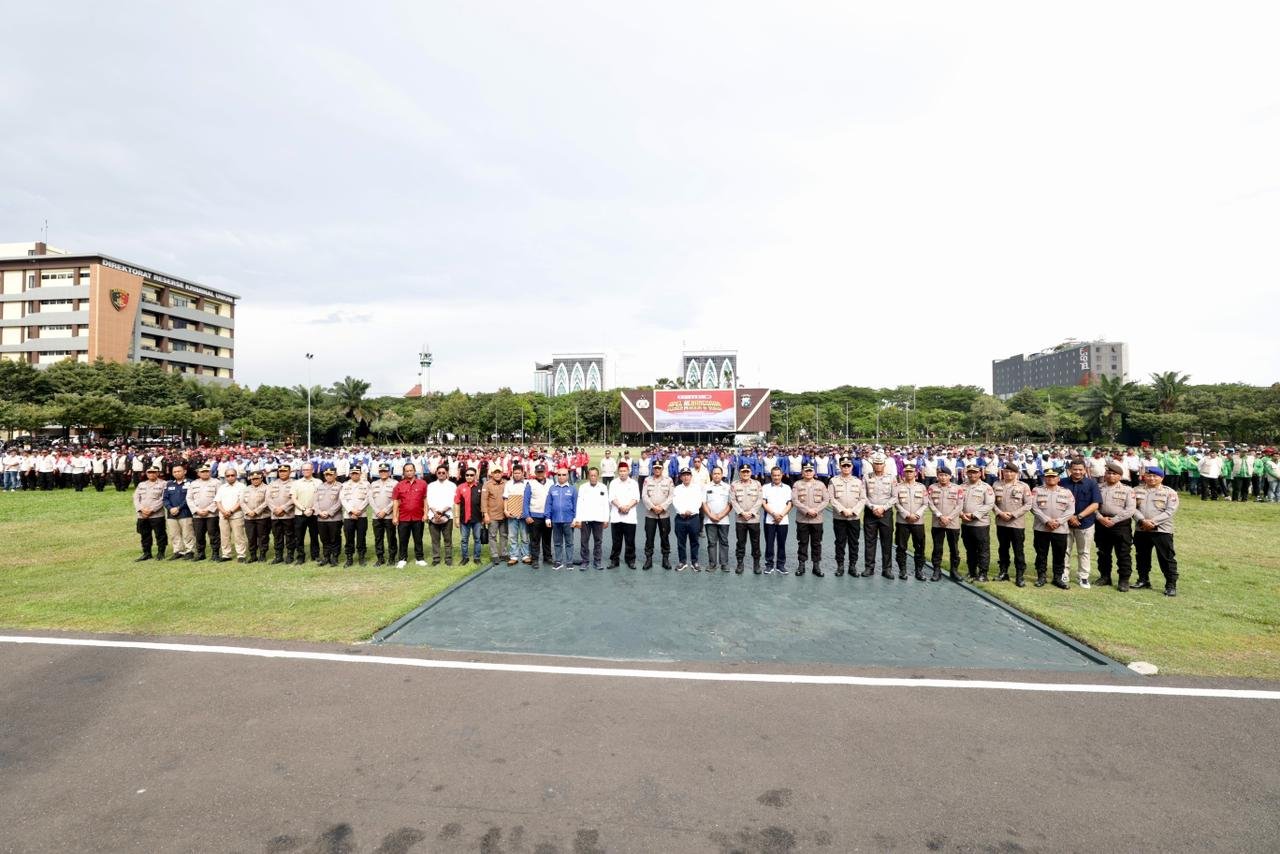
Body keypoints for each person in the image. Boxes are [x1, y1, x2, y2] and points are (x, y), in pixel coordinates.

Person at [1133, 466, 1181, 596]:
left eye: (1155, 476)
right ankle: (1143, 580)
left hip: (1162, 530)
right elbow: (1132, 508)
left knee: (1166, 558)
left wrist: (1153, 522)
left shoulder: (1169, 493)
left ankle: (1171, 585)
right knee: (1142, 556)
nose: (1151, 478)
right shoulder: (1136, 490)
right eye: (1149, 476)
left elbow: (1170, 511)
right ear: (1145, 477)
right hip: (1141, 529)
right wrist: (1143, 520)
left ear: (1162, 478)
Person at [1094, 460, 1136, 590]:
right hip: (1101, 523)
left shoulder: (1127, 490)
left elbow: (1130, 509)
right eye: (1108, 473)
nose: (1110, 476)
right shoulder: (1098, 487)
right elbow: (1092, 505)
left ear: (1120, 476)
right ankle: (1105, 576)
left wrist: (1113, 520)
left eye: (1114, 473)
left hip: (1120, 525)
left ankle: (1124, 580)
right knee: (1103, 552)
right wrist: (1100, 518)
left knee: (1123, 553)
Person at [1061, 459, 1101, 588]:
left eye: (1080, 469)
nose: (1077, 472)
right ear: (1070, 470)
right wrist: (1069, 517)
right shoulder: (1062, 483)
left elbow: (1095, 504)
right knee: (1064, 550)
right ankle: (1064, 573)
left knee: (1084, 551)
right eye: (1075, 469)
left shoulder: (1092, 483)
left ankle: (1083, 576)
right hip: (1065, 523)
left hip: (1085, 523)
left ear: (1084, 470)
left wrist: (1078, 516)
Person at [1031, 469, 1074, 588]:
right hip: (1041, 528)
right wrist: (1046, 521)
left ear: (1058, 479)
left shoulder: (1066, 492)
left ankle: (1058, 578)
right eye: (1048, 477)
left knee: (1059, 554)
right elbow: (1034, 508)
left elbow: (1071, 510)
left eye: (1053, 477)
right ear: (1045, 478)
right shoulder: (1037, 490)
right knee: (1041, 554)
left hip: (1060, 529)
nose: (1050, 479)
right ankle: (1041, 577)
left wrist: (1058, 522)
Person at [992, 462, 1033, 585]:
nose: (1008, 474)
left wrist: (1013, 514)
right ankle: (1003, 572)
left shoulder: (1023, 486)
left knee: (1018, 550)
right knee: (1003, 549)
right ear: (1003, 472)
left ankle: (1020, 575)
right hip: (1001, 522)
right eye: (1006, 471)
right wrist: (999, 513)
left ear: (1016, 473)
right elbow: (991, 502)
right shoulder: (996, 484)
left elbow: (1028, 504)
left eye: (1011, 472)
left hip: (1016, 523)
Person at [829, 458, 866, 577]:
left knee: (854, 542)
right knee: (840, 542)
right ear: (840, 466)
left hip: (854, 518)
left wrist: (854, 511)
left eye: (848, 466)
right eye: (843, 466)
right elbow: (831, 498)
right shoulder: (833, 481)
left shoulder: (858, 482)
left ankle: (852, 566)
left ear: (851, 467)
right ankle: (840, 566)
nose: (846, 468)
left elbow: (863, 499)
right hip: (840, 517)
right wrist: (842, 510)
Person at [791, 463, 829, 577]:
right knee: (802, 542)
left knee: (816, 543)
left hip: (817, 519)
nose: (808, 472)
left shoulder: (821, 484)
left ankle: (816, 566)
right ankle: (801, 565)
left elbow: (826, 500)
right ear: (802, 472)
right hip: (802, 518)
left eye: (810, 470)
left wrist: (816, 510)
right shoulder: (797, 484)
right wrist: (807, 510)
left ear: (814, 472)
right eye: (806, 470)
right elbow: (795, 500)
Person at [927, 466, 963, 582]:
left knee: (954, 548)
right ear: (937, 476)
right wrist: (940, 516)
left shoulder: (957, 488)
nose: (943, 477)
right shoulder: (932, 487)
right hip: (938, 523)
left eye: (945, 475)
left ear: (950, 476)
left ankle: (954, 571)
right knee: (937, 548)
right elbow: (930, 503)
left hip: (953, 523)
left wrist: (949, 518)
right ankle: (936, 571)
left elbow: (960, 506)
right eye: (941, 475)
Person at [862, 453, 896, 577]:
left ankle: (887, 569)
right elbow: (863, 496)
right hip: (870, 513)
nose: (878, 466)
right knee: (869, 541)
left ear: (884, 465)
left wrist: (883, 508)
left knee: (886, 542)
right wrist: (873, 507)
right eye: (876, 463)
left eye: (880, 463)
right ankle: (869, 568)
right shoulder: (866, 477)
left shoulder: (891, 477)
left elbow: (894, 496)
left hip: (885, 513)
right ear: (873, 465)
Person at [893, 463, 928, 581]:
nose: (909, 473)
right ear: (904, 473)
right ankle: (902, 570)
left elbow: (925, 503)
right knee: (901, 547)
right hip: (903, 521)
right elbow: (896, 503)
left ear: (916, 473)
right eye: (906, 472)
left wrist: (917, 515)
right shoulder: (897, 487)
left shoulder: (921, 487)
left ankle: (919, 570)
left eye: (911, 471)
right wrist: (907, 515)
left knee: (919, 547)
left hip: (918, 522)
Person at [960, 464, 995, 581]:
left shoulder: (986, 487)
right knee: (969, 549)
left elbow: (989, 504)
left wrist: (974, 515)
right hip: (965, 523)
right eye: (970, 472)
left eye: (975, 472)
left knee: (982, 549)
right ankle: (971, 571)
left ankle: (983, 574)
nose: (972, 474)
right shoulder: (962, 487)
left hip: (980, 524)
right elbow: (956, 503)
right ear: (966, 473)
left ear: (980, 473)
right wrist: (961, 514)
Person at [392, 462, 428, 568]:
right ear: (404, 472)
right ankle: (402, 559)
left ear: (414, 470)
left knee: (418, 538)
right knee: (403, 539)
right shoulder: (399, 485)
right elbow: (395, 501)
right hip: (403, 517)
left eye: (411, 470)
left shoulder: (422, 484)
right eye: (407, 471)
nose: (409, 472)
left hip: (418, 516)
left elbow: (425, 499)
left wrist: (426, 513)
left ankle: (419, 558)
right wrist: (395, 516)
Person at [730, 463, 763, 574]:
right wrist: (742, 512)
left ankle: (756, 564)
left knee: (756, 542)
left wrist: (751, 512)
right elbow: (733, 500)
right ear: (739, 473)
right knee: (740, 542)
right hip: (740, 519)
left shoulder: (757, 484)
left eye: (747, 471)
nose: (745, 473)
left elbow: (759, 500)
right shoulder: (734, 484)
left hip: (754, 519)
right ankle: (740, 563)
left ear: (751, 472)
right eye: (743, 472)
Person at [574, 467, 610, 570]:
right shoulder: (583, 487)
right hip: (585, 519)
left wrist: (606, 519)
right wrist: (578, 519)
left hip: (599, 519)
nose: (593, 477)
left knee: (598, 541)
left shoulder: (603, 487)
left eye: (595, 475)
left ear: (598, 476)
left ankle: (597, 561)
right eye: (591, 475)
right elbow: (579, 504)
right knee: (584, 541)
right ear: (588, 476)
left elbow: (605, 504)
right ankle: (585, 561)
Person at [186, 463, 222, 562]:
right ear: (198, 473)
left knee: (213, 534)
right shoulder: (193, 484)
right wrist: (197, 510)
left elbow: (218, 498)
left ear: (210, 472)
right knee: (199, 535)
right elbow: (189, 499)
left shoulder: (216, 482)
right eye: (202, 471)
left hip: (212, 514)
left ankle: (215, 553)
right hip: (197, 515)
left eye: (207, 471)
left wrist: (208, 509)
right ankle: (201, 553)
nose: (205, 473)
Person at [642, 460, 674, 570]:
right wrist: (653, 507)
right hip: (650, 514)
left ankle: (665, 559)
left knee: (665, 537)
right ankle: (648, 559)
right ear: (652, 468)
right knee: (649, 537)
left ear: (662, 469)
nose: (657, 469)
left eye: (659, 468)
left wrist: (662, 507)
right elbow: (644, 496)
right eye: (655, 468)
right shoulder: (647, 480)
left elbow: (671, 496)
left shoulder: (668, 480)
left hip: (664, 514)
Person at [607, 461, 640, 569]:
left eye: (624, 471)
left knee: (630, 540)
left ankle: (630, 560)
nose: (622, 473)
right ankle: (614, 560)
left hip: (630, 517)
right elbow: (611, 497)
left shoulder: (634, 483)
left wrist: (627, 507)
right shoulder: (613, 483)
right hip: (616, 516)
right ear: (618, 472)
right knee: (616, 541)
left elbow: (636, 498)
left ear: (628, 471)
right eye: (620, 471)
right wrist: (620, 506)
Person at [671, 468, 704, 571]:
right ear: (681, 477)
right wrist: (682, 511)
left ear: (691, 476)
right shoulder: (677, 489)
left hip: (693, 517)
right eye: (684, 475)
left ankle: (695, 562)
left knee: (695, 541)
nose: (686, 477)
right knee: (681, 542)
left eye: (688, 475)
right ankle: (682, 562)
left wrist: (691, 511)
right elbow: (675, 502)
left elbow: (699, 502)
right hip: (680, 518)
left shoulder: (697, 488)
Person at [133, 463, 168, 561]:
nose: (151, 474)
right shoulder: (141, 484)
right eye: (149, 473)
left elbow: (163, 499)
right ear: (146, 474)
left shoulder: (163, 484)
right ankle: (147, 553)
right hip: (142, 515)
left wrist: (152, 509)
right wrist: (141, 509)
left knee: (160, 534)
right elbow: (136, 498)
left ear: (158, 473)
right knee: (145, 535)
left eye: (154, 472)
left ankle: (161, 552)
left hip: (157, 515)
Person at [761, 466, 793, 574]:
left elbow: (789, 504)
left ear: (782, 475)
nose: (776, 477)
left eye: (778, 475)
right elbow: (764, 503)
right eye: (774, 475)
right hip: (769, 520)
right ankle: (769, 565)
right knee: (769, 543)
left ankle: (780, 565)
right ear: (771, 476)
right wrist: (774, 514)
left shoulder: (787, 488)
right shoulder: (765, 487)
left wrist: (781, 515)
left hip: (783, 520)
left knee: (781, 543)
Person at [701, 464, 733, 572]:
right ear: (711, 475)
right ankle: (712, 564)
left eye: (718, 473)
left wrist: (720, 515)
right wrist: (711, 515)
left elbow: (730, 504)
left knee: (724, 542)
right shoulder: (706, 487)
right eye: (714, 473)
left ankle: (724, 564)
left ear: (722, 475)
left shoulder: (728, 487)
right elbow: (703, 503)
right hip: (709, 520)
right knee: (711, 542)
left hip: (724, 520)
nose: (716, 476)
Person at [546, 467, 578, 569]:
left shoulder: (572, 489)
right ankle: (558, 561)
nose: (561, 477)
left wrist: (575, 518)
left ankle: (569, 561)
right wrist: (547, 517)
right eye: (559, 475)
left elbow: (576, 505)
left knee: (569, 542)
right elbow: (548, 504)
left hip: (568, 521)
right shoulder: (552, 488)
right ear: (556, 476)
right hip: (555, 520)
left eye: (564, 475)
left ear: (568, 476)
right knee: (557, 542)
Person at [162, 463, 195, 560]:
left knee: (187, 533)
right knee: (174, 534)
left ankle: (190, 551)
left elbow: (189, 498)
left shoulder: (190, 483)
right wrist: (170, 508)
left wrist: (179, 508)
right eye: (174, 472)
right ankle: (178, 551)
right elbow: (165, 499)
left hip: (185, 513)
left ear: (184, 471)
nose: (176, 473)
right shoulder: (169, 484)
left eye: (179, 471)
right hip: (171, 514)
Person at [522, 464, 553, 568]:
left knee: (547, 538)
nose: (540, 474)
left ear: (545, 472)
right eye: (538, 472)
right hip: (534, 516)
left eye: (542, 472)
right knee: (535, 539)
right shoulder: (530, 483)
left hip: (548, 516)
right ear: (535, 473)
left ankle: (547, 557)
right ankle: (535, 559)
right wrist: (527, 515)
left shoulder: (551, 482)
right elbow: (525, 501)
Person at [216, 467, 249, 563]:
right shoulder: (222, 487)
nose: (230, 477)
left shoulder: (242, 486)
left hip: (236, 515)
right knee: (224, 536)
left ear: (236, 476)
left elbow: (241, 501)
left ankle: (241, 554)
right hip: (223, 516)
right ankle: (226, 554)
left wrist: (230, 511)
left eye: (232, 475)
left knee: (239, 536)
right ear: (225, 477)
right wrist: (223, 512)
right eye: (228, 476)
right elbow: (217, 501)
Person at [266, 464, 297, 564]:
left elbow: (294, 499)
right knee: (277, 536)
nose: (282, 473)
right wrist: (275, 509)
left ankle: (290, 555)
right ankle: (278, 556)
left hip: (288, 515)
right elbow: (268, 498)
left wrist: (283, 508)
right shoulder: (272, 484)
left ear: (290, 472)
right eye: (280, 471)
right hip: (275, 515)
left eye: (285, 471)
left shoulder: (295, 484)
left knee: (289, 536)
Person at [339, 466, 370, 567]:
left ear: (360, 474)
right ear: (350, 474)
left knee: (361, 538)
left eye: (357, 473)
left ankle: (361, 557)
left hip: (362, 515)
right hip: (348, 516)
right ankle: (349, 558)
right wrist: (351, 511)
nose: (355, 475)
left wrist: (359, 510)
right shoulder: (344, 485)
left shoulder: (366, 484)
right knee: (349, 538)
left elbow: (368, 498)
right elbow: (342, 499)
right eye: (353, 473)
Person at [291, 463, 321, 565]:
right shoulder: (296, 483)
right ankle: (300, 557)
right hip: (300, 513)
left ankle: (315, 555)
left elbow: (319, 499)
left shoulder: (318, 482)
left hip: (314, 513)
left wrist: (312, 509)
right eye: (304, 470)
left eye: (308, 469)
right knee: (299, 537)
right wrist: (304, 509)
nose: (306, 471)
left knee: (314, 536)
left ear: (312, 470)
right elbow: (294, 498)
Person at [426, 464, 456, 566]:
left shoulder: (452, 485)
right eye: (439, 473)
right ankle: (436, 558)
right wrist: (435, 513)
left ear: (447, 473)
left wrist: (442, 512)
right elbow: (429, 500)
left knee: (447, 539)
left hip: (447, 515)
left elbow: (452, 501)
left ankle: (448, 559)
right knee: (435, 540)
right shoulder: (431, 485)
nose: (441, 474)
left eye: (443, 473)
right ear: (436, 473)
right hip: (433, 515)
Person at [369, 463, 398, 567]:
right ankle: (380, 558)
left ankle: (391, 558)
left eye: (385, 471)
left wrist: (385, 511)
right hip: (376, 516)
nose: (383, 473)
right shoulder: (374, 484)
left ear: (389, 472)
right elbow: (370, 499)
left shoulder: (395, 483)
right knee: (378, 538)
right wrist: (377, 511)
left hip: (389, 515)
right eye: (381, 471)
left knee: (391, 537)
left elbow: (396, 500)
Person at [313, 468, 343, 566]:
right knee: (324, 538)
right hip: (321, 518)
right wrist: (319, 512)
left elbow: (340, 501)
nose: (328, 476)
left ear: (335, 475)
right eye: (327, 475)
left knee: (335, 538)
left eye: (331, 474)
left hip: (334, 518)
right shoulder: (320, 486)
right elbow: (315, 501)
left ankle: (334, 557)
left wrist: (329, 512)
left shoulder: (340, 486)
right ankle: (326, 557)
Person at [453, 467, 483, 566]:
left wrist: (484, 516)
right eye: (467, 475)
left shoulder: (480, 487)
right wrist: (456, 518)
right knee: (464, 540)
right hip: (463, 518)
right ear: (464, 476)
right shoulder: (460, 487)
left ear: (475, 476)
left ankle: (477, 557)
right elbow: (457, 503)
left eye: (471, 475)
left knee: (477, 539)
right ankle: (465, 558)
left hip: (477, 518)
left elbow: (484, 503)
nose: (469, 477)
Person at [242, 469, 271, 564]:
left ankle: (262, 555)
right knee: (251, 537)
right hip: (249, 517)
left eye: (257, 478)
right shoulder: (246, 488)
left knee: (263, 537)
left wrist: (256, 511)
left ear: (261, 478)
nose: (255, 480)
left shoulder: (267, 488)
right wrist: (248, 511)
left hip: (262, 517)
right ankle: (253, 555)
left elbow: (267, 502)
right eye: (253, 479)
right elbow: (241, 502)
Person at [481, 465, 508, 565]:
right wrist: (485, 514)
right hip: (492, 515)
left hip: (504, 515)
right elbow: (483, 500)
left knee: (504, 535)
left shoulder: (506, 483)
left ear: (502, 473)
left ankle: (504, 553)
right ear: (491, 474)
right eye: (495, 472)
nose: (497, 474)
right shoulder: (487, 484)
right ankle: (494, 555)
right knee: (492, 536)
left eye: (499, 472)